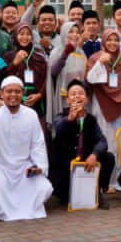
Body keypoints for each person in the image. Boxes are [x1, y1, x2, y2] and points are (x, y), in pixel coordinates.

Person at [0, 77, 53, 221]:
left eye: (17, 91)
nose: (13, 95)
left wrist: (39, 166)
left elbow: (37, 144)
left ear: (22, 93)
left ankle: (23, 209)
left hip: (23, 167)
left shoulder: (31, 114)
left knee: (44, 188)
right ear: (1, 93)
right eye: (9, 91)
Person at [49, 80, 114, 209]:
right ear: (67, 100)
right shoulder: (60, 117)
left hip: (85, 161)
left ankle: (98, 191)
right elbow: (58, 128)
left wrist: (94, 154)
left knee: (108, 157)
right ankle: (67, 194)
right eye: (73, 94)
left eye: (80, 93)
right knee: (64, 195)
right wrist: (70, 119)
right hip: (66, 165)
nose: (77, 96)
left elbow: (102, 141)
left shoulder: (91, 119)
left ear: (86, 99)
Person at [85, 30, 121, 191]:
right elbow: (90, 80)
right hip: (101, 105)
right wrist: (100, 63)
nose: (113, 43)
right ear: (104, 42)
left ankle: (118, 180)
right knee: (106, 144)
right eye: (110, 40)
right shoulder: (95, 58)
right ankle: (104, 182)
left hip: (120, 108)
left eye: (116, 40)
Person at [3, 23, 48, 118]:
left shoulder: (39, 56)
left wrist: (39, 95)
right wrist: (14, 63)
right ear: (15, 35)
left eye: (28, 34)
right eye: (21, 34)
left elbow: (46, 79)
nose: (25, 37)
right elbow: (4, 77)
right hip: (14, 100)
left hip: (36, 101)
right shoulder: (8, 56)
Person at [46, 22, 87, 123]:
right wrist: (66, 53)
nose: (75, 34)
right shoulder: (57, 52)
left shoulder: (81, 52)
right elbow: (53, 73)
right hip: (63, 99)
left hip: (79, 98)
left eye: (78, 32)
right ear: (64, 33)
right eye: (71, 31)